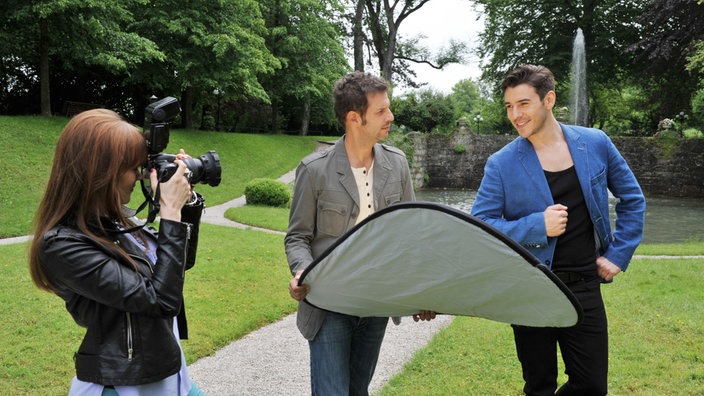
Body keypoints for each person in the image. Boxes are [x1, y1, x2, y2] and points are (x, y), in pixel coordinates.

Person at [470, 64, 645, 396]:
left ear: (548, 99)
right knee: (539, 386)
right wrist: (538, 225)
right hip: (530, 286)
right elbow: (481, 226)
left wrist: (618, 254)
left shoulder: (596, 143)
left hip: (584, 287)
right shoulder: (501, 164)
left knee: (592, 385)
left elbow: (633, 199)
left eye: (523, 104)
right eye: (509, 106)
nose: (515, 115)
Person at [28, 109, 206, 395]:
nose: (138, 177)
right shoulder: (62, 245)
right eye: (132, 168)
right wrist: (169, 212)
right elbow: (160, 301)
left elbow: (177, 267)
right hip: (121, 386)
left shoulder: (119, 222)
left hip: (170, 377)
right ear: (101, 172)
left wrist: (185, 205)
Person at [285, 71, 435, 395]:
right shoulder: (314, 170)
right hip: (328, 303)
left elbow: (410, 235)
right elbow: (297, 237)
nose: (391, 117)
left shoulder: (398, 164)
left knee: (358, 391)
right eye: (381, 111)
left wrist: (422, 292)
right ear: (355, 118)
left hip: (376, 302)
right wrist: (300, 270)